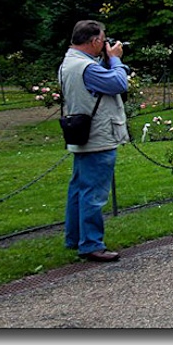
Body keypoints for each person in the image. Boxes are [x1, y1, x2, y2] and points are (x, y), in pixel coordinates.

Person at [58, 20, 131, 262]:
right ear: (94, 41)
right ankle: (91, 244)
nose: (105, 43)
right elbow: (119, 83)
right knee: (94, 192)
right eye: (102, 39)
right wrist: (116, 59)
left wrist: (107, 61)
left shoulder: (70, 63)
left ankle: (75, 237)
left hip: (81, 133)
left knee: (79, 188)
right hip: (97, 137)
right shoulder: (86, 68)